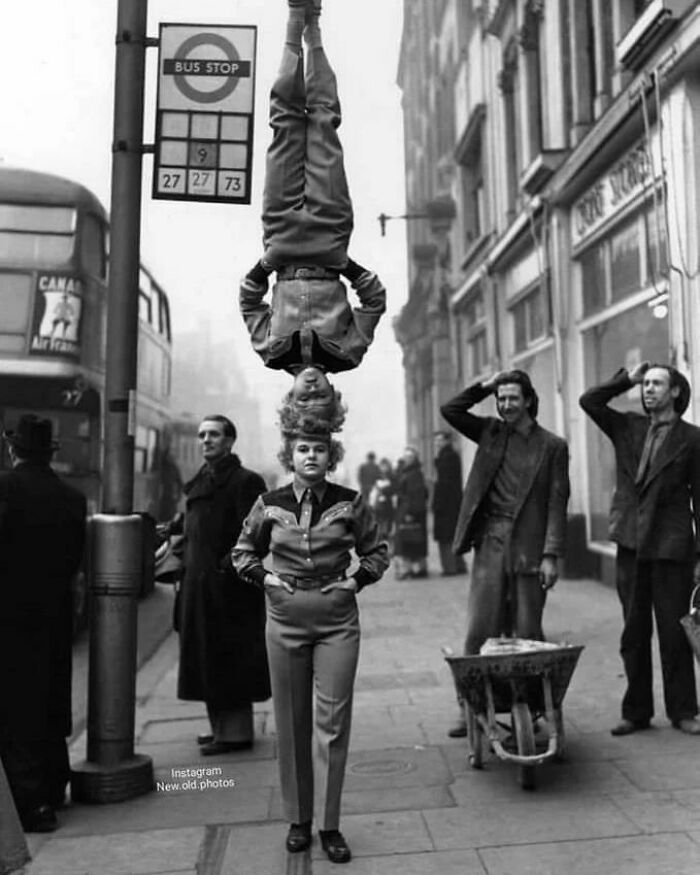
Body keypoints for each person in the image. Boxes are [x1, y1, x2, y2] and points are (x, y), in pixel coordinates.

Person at [232, 418, 389, 863]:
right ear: (291, 456)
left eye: (319, 449)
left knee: (333, 723)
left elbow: (378, 551)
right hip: (283, 618)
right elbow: (242, 552)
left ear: (330, 456)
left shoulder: (350, 503)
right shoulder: (269, 504)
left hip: (337, 619)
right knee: (292, 720)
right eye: (303, 449)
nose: (311, 456)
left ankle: (330, 825)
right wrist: (267, 581)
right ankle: (298, 819)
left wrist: (355, 582)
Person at [239, 0, 387, 375]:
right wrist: (347, 265)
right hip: (329, 237)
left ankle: (294, 22)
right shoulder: (348, 355)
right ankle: (313, 27)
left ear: (292, 400)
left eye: (304, 400)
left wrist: (265, 265)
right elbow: (374, 302)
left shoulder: (271, 354)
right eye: (319, 399)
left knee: (285, 126)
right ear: (330, 395)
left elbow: (249, 301)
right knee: (323, 124)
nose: (311, 391)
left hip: (281, 240)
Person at [441, 370, 569, 736]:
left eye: (513, 398)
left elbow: (557, 504)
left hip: (530, 547)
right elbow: (450, 410)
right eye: (501, 399)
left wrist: (551, 554)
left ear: (528, 400)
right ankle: (471, 706)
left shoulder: (553, 446)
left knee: (530, 632)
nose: (506, 405)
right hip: (491, 543)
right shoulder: (490, 433)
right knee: (481, 629)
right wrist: (483, 386)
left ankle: (533, 706)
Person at [580, 362, 700, 736]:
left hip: (671, 546)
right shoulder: (627, 426)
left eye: (656, 383)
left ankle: (683, 711)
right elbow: (589, 401)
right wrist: (625, 380)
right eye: (645, 384)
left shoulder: (693, 439)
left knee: (673, 631)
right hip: (631, 543)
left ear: (675, 392)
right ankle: (636, 711)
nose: (648, 389)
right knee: (633, 632)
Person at [0, 415, 86, 832]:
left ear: (13, 449)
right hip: (56, 613)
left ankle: (32, 805)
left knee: (16, 710)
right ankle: (54, 786)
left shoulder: (5, 488)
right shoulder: (72, 497)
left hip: (10, 616)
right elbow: (75, 558)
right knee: (51, 699)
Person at [168, 415, 270, 755]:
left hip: (230, 590)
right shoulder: (202, 481)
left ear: (229, 441)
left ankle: (236, 734)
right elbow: (195, 527)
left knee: (231, 659)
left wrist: (225, 570)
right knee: (208, 660)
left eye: (213, 435)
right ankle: (219, 730)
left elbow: (258, 534)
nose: (205, 440)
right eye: (202, 435)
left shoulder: (245, 481)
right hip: (199, 587)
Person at [432, 431, 467, 576]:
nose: (437, 443)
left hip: (446, 504)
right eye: (436, 440)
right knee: (452, 535)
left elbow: (444, 484)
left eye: (439, 440)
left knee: (446, 538)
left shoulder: (446, 458)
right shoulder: (450, 456)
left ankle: (450, 567)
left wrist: (437, 504)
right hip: (453, 503)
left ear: (447, 441)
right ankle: (458, 565)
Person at [394, 447, 429, 579]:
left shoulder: (414, 474)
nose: (406, 459)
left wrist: (410, 513)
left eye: (409, 457)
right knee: (412, 542)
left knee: (408, 542)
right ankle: (417, 568)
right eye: (405, 456)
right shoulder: (409, 472)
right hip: (408, 510)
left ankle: (410, 569)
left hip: (410, 512)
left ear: (414, 459)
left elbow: (416, 495)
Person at [369, 457, 396, 544]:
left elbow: (394, 489)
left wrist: (385, 490)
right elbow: (373, 490)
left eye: (385, 466)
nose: (384, 468)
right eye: (382, 466)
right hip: (378, 503)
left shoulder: (392, 476)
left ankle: (385, 536)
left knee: (387, 520)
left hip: (388, 503)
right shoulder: (377, 476)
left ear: (388, 466)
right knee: (378, 520)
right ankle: (379, 536)